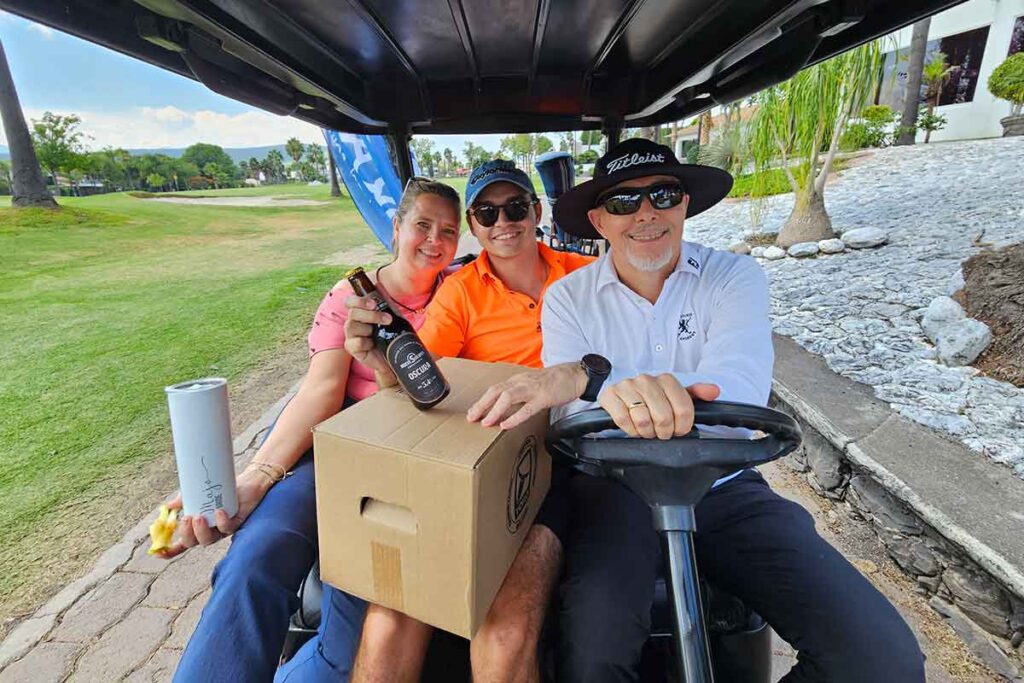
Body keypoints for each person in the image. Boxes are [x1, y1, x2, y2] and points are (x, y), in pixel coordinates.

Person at [473, 138, 926, 682]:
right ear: (598, 219)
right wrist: (597, 388)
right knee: (594, 651)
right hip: (616, 487)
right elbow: (567, 412)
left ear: (684, 203)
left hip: (724, 483)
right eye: (623, 203)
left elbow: (736, 390)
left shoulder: (733, 278)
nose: (646, 214)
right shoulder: (570, 298)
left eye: (662, 195)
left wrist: (600, 382)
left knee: (881, 659)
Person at [299, 159, 593, 682]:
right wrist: (382, 364)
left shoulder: (584, 276)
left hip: (562, 463)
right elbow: (422, 383)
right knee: (388, 622)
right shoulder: (461, 292)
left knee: (504, 631)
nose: (503, 221)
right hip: (476, 467)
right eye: (486, 212)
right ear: (475, 229)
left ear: (537, 210)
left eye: (515, 206)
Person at [166, 177, 464, 683]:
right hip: (335, 451)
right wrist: (258, 476)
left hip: (415, 463)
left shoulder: (461, 289)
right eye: (422, 225)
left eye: (449, 231)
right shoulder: (353, 298)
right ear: (396, 227)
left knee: (359, 622)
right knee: (258, 555)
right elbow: (321, 392)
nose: (435, 240)